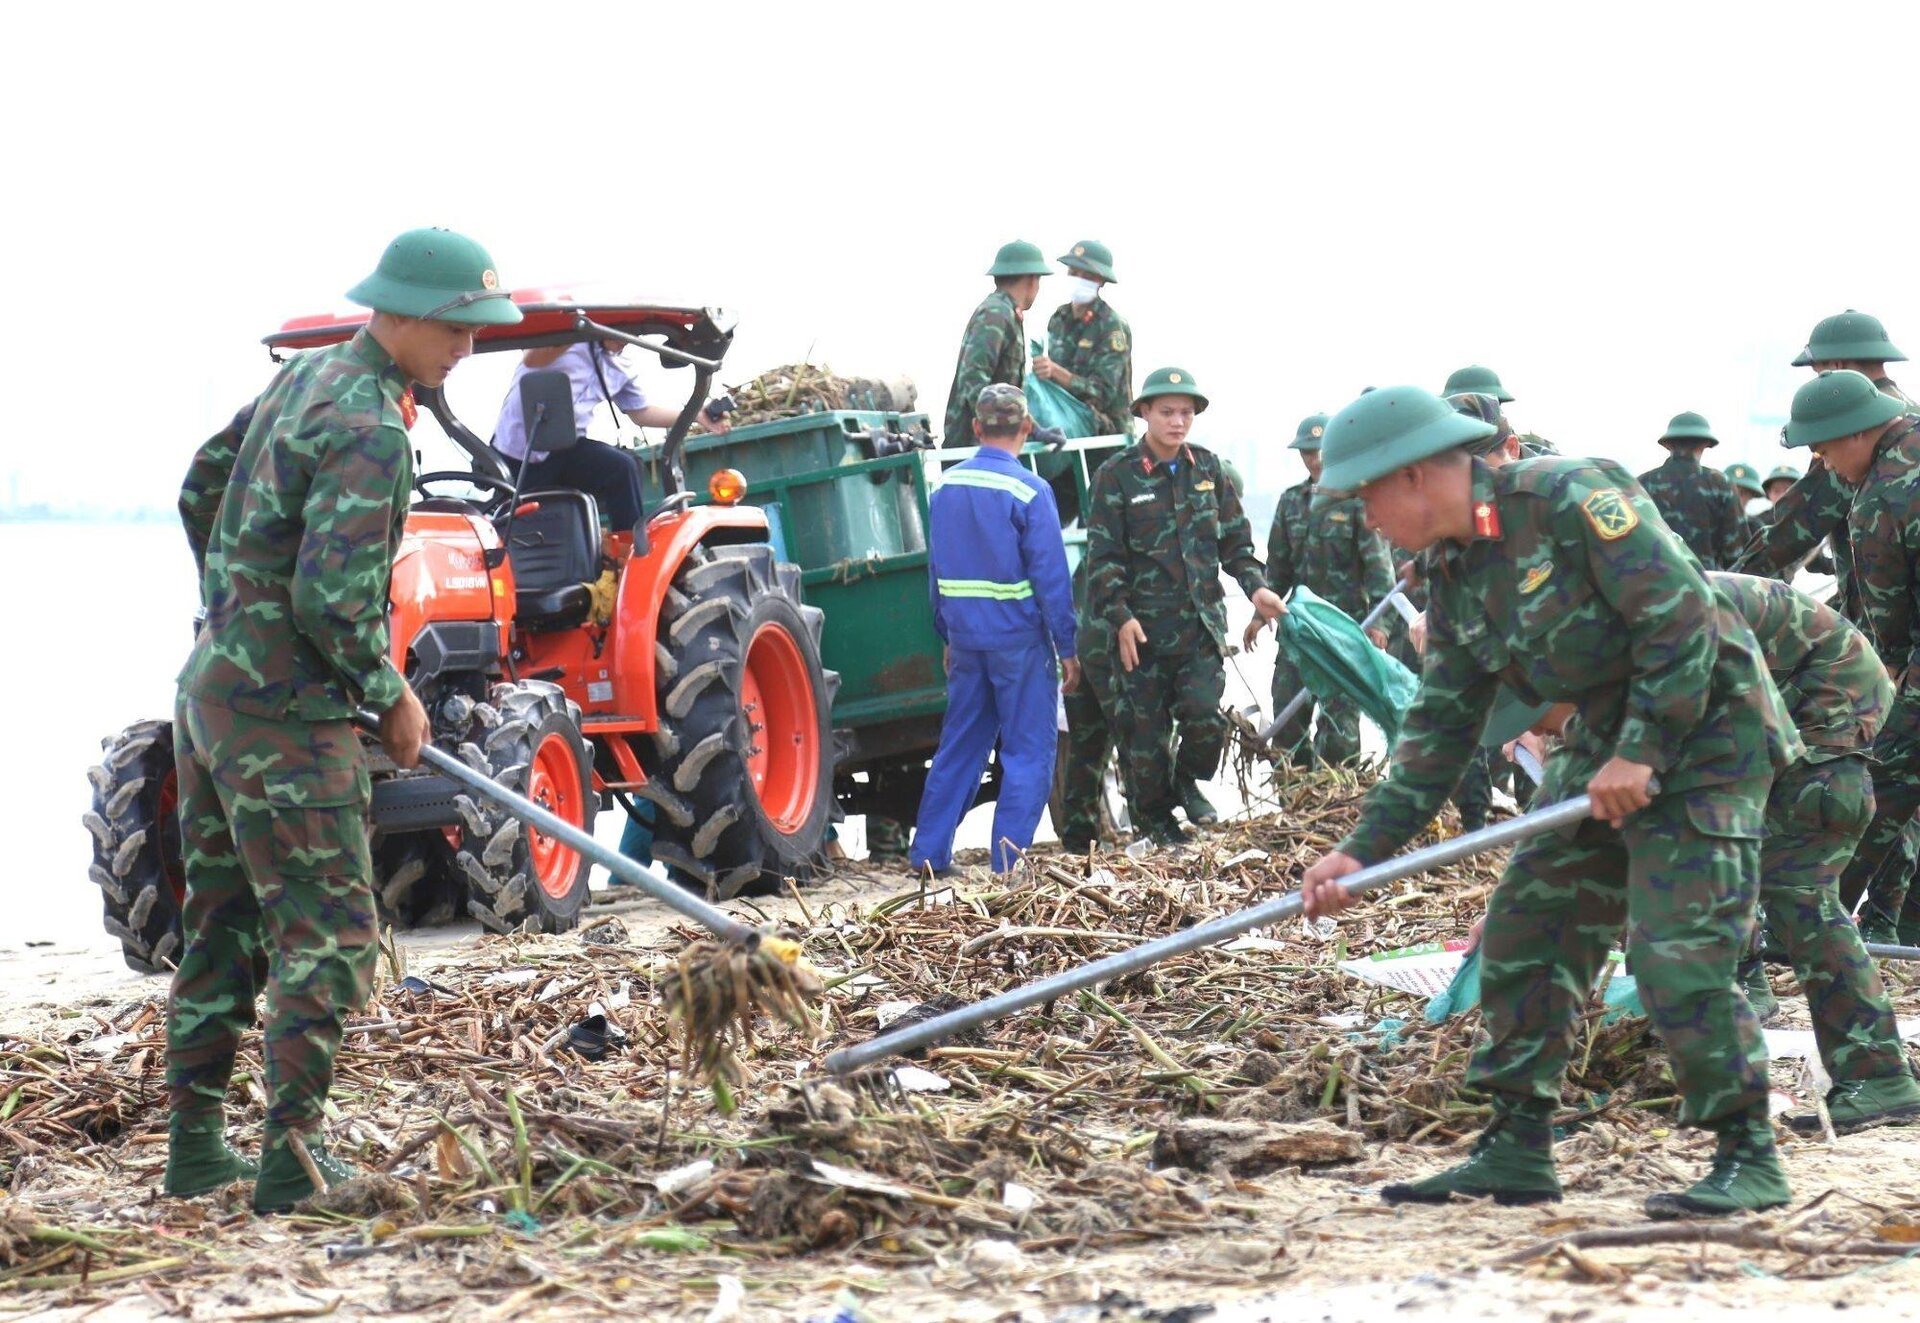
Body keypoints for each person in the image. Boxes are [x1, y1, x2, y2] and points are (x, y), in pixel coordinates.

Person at [1299, 385, 1798, 1219]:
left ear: (1416, 475)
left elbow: (1680, 620)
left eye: (1368, 498)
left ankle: (1746, 1150)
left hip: (1707, 733)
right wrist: (1363, 847)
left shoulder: (1569, 497)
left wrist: (1644, 749)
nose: (1368, 520)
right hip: (1606, 740)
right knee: (1531, 922)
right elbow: (1441, 722)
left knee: (1676, 946)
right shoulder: (1453, 574)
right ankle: (1517, 1144)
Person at [168, 228, 520, 1212]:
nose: (466, 347)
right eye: (453, 328)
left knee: (224, 923)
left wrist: (235, 606)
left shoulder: (303, 380)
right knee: (328, 930)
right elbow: (333, 602)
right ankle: (294, 1163)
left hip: (212, 695)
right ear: (399, 313)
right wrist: (390, 693)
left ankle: (194, 1148)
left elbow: (202, 483)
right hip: (287, 715)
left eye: (476, 331)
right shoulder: (368, 423)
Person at [1706, 573, 1920, 1130]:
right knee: (1779, 888)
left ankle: (1879, 1079)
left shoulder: (1651, 609)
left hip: (1826, 714)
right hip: (1794, 711)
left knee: (1799, 896)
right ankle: (1877, 1075)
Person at [1086, 367, 1282, 842]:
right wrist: (1121, 617)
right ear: (1145, 414)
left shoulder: (1209, 470)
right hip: (1143, 634)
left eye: (1186, 413)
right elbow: (1103, 558)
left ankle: (1187, 784)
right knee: (1145, 741)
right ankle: (1158, 826)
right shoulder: (1117, 476)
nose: (1178, 421)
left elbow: (1236, 544)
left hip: (1198, 628)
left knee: (1203, 718)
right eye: (1167, 412)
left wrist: (1256, 588)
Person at [909, 384, 1079, 874]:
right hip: (1020, 642)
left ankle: (928, 855)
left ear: (978, 428)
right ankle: (1007, 864)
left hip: (965, 640)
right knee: (1027, 751)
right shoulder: (1030, 490)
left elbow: (936, 570)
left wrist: (945, 633)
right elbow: (1051, 578)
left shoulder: (945, 488)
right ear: (1026, 428)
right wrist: (1067, 647)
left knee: (959, 746)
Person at [1781, 371, 1920, 943]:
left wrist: (1885, 667)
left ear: (1857, 433)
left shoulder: (1884, 493)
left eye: (1825, 449)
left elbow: (1885, 611)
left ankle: (1811, 924)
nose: (1825, 464)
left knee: (1879, 784)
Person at [1248, 412, 1393, 768]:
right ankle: (1294, 793)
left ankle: (1337, 794)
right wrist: (1256, 615)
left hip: (1344, 630)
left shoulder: (1359, 501)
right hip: (1298, 627)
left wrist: (1381, 625)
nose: (1314, 458)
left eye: (1321, 450)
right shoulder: (1290, 502)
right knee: (1286, 716)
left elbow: (1379, 571)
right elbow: (1277, 569)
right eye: (1307, 451)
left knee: (1340, 728)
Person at [492, 338, 732, 533]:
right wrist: (574, 331)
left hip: (565, 448)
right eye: (619, 331)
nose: (625, 340)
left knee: (623, 467)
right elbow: (532, 360)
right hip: (514, 455)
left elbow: (641, 413)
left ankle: (627, 549)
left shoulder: (621, 365)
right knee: (516, 527)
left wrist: (697, 415)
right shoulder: (560, 344)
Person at [943, 241, 1050, 447]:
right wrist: (1026, 427)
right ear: (1031, 280)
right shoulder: (996, 314)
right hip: (975, 446)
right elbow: (974, 382)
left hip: (992, 444)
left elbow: (1003, 394)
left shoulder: (1006, 313)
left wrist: (1034, 428)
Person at [1032, 240, 1132, 435]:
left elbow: (1102, 393)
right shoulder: (1059, 318)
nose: (1078, 279)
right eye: (1073, 273)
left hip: (1105, 433)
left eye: (1087, 275)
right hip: (1064, 422)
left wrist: (1055, 372)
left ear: (1101, 281)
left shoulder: (1112, 326)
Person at [1636, 412, 1744, 569]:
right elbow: (1735, 553)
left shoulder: (1642, 484)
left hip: (1653, 583)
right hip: (1704, 585)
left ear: (1668, 445)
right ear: (1704, 444)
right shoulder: (1720, 484)